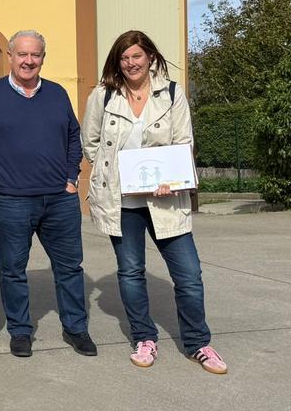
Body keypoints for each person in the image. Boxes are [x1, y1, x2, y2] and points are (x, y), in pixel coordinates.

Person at [82, 30, 227, 374]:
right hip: (123, 203)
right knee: (131, 273)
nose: (131, 63)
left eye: (137, 56)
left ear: (149, 57)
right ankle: (144, 338)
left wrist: (169, 178)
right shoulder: (103, 96)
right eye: (124, 57)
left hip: (165, 201)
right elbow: (91, 143)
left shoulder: (172, 94)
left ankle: (198, 343)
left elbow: (184, 142)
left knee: (189, 275)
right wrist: (116, 175)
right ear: (118, 62)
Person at [0, 30, 95, 359]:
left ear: (43, 58)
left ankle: (76, 328)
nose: (29, 61)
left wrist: (72, 178)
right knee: (13, 270)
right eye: (22, 54)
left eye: (36, 55)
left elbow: (74, 136)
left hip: (59, 199)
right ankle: (21, 330)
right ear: (10, 56)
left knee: (70, 268)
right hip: (11, 200)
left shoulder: (57, 94)